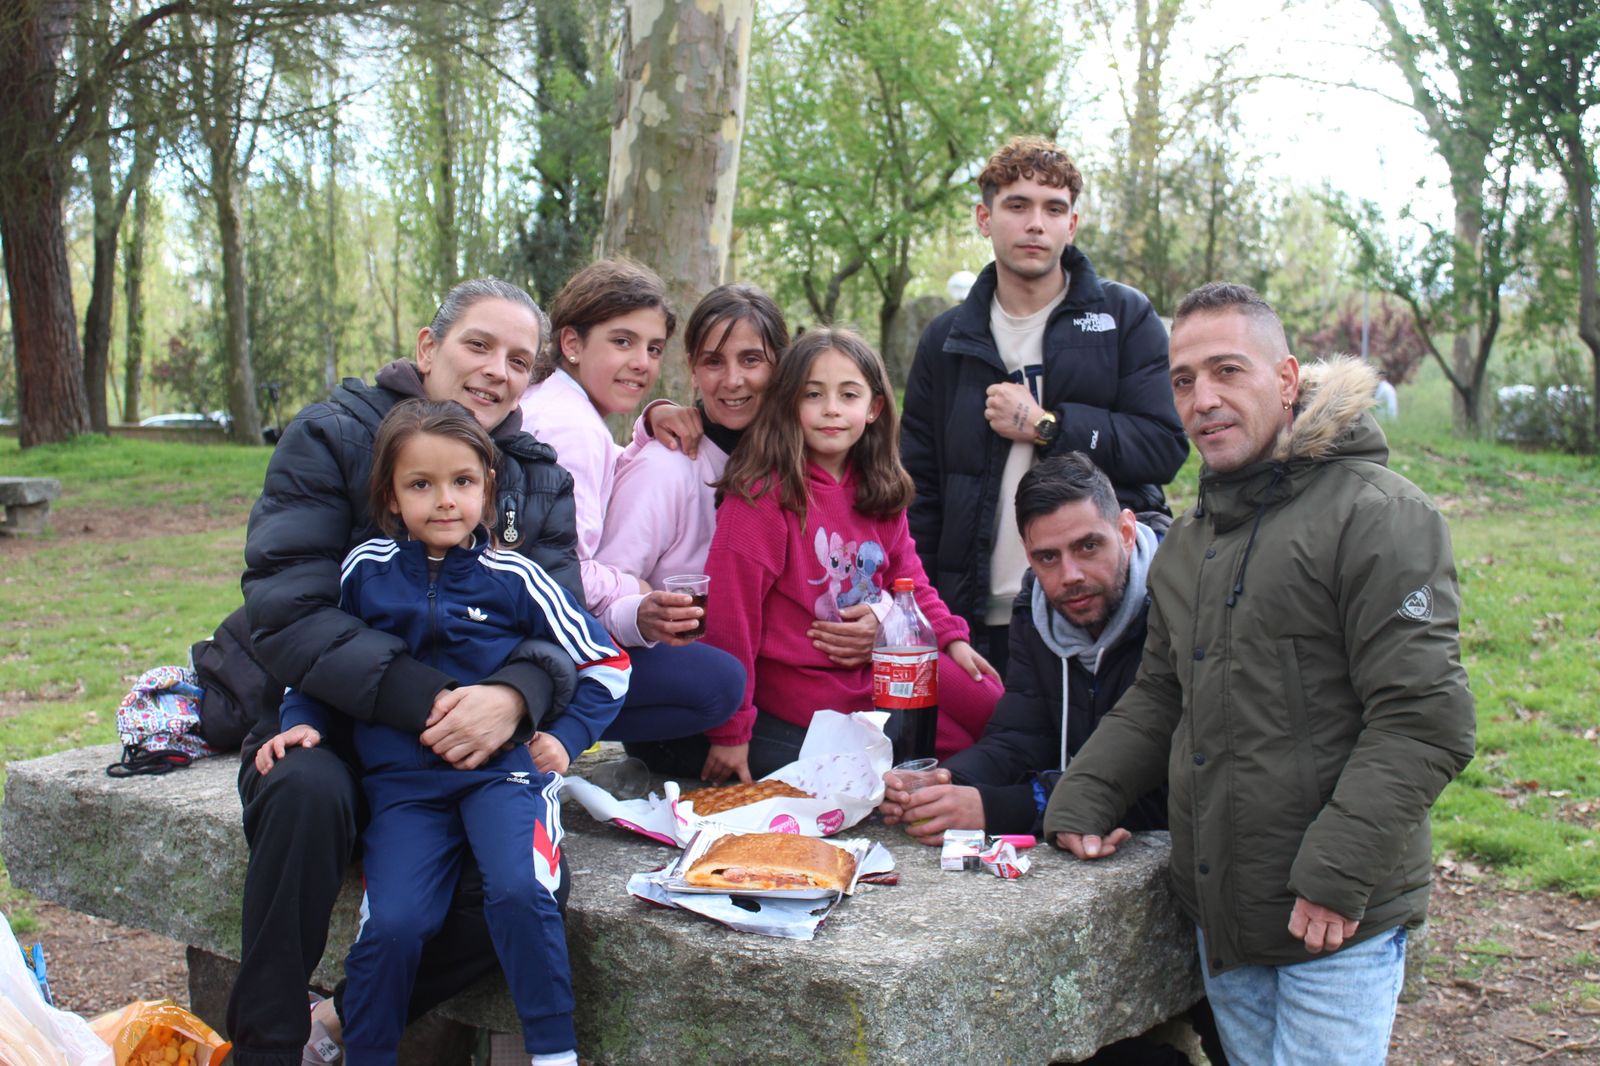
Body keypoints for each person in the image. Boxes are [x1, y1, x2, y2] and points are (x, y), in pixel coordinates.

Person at [1044, 283, 1475, 1065]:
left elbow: (1424, 719)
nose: (1202, 398)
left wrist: (1335, 870)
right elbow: (1161, 695)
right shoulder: (1190, 540)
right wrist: (1088, 790)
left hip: (1333, 917)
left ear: (1285, 379)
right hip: (1223, 911)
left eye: (1227, 371)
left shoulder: (1380, 515)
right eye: (1182, 380)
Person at [232, 278, 579, 1066]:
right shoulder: (333, 435)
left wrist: (514, 697)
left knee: (522, 887)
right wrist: (437, 700)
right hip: (333, 715)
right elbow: (289, 611)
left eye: (519, 359)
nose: (497, 369)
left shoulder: (535, 477)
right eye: (478, 345)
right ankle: (266, 1043)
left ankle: (346, 1026)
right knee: (305, 795)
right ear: (429, 348)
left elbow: (564, 631)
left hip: (474, 749)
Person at [902, 135, 1188, 678]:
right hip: (976, 622)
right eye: (1017, 206)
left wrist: (1049, 427)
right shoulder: (945, 340)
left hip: (1100, 611)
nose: (1036, 223)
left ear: (1072, 225)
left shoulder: (1123, 316)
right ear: (984, 219)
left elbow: (1164, 447)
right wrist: (925, 613)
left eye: (1053, 209)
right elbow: (920, 491)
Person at [703, 328, 1003, 783]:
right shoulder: (762, 495)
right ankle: (956, 792)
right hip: (808, 682)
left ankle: (1040, 777)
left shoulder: (876, 487)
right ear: (788, 403)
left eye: (848, 395)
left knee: (989, 700)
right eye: (813, 394)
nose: (831, 410)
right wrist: (732, 732)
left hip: (878, 663)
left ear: (873, 408)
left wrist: (949, 638)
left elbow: (911, 580)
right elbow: (732, 616)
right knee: (951, 750)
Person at [517, 260, 743, 763]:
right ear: (572, 344)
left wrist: (647, 422)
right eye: (622, 342)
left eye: (653, 348)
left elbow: (597, 484)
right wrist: (637, 592)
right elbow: (560, 572)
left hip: (532, 624)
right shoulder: (571, 429)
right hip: (531, 638)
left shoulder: (560, 405)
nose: (641, 361)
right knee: (719, 684)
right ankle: (537, 731)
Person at [877, 453, 1165, 842]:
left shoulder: (1175, 605)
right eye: (1048, 557)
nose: (1070, 576)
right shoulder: (1036, 608)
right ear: (1027, 554)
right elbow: (1018, 737)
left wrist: (993, 808)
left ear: (1126, 532)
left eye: (1088, 547)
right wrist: (945, 783)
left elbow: (1168, 782)